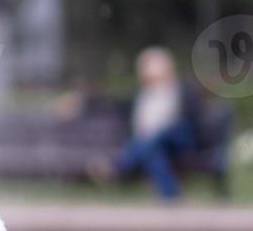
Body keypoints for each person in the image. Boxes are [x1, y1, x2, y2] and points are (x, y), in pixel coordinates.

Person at [86, 46, 207, 200]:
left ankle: (116, 167)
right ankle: (171, 197)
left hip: (180, 139)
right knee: (153, 149)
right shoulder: (141, 95)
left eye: (149, 65)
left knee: (156, 135)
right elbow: (110, 103)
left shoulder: (182, 88)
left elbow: (195, 118)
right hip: (154, 144)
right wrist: (79, 101)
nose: (145, 70)